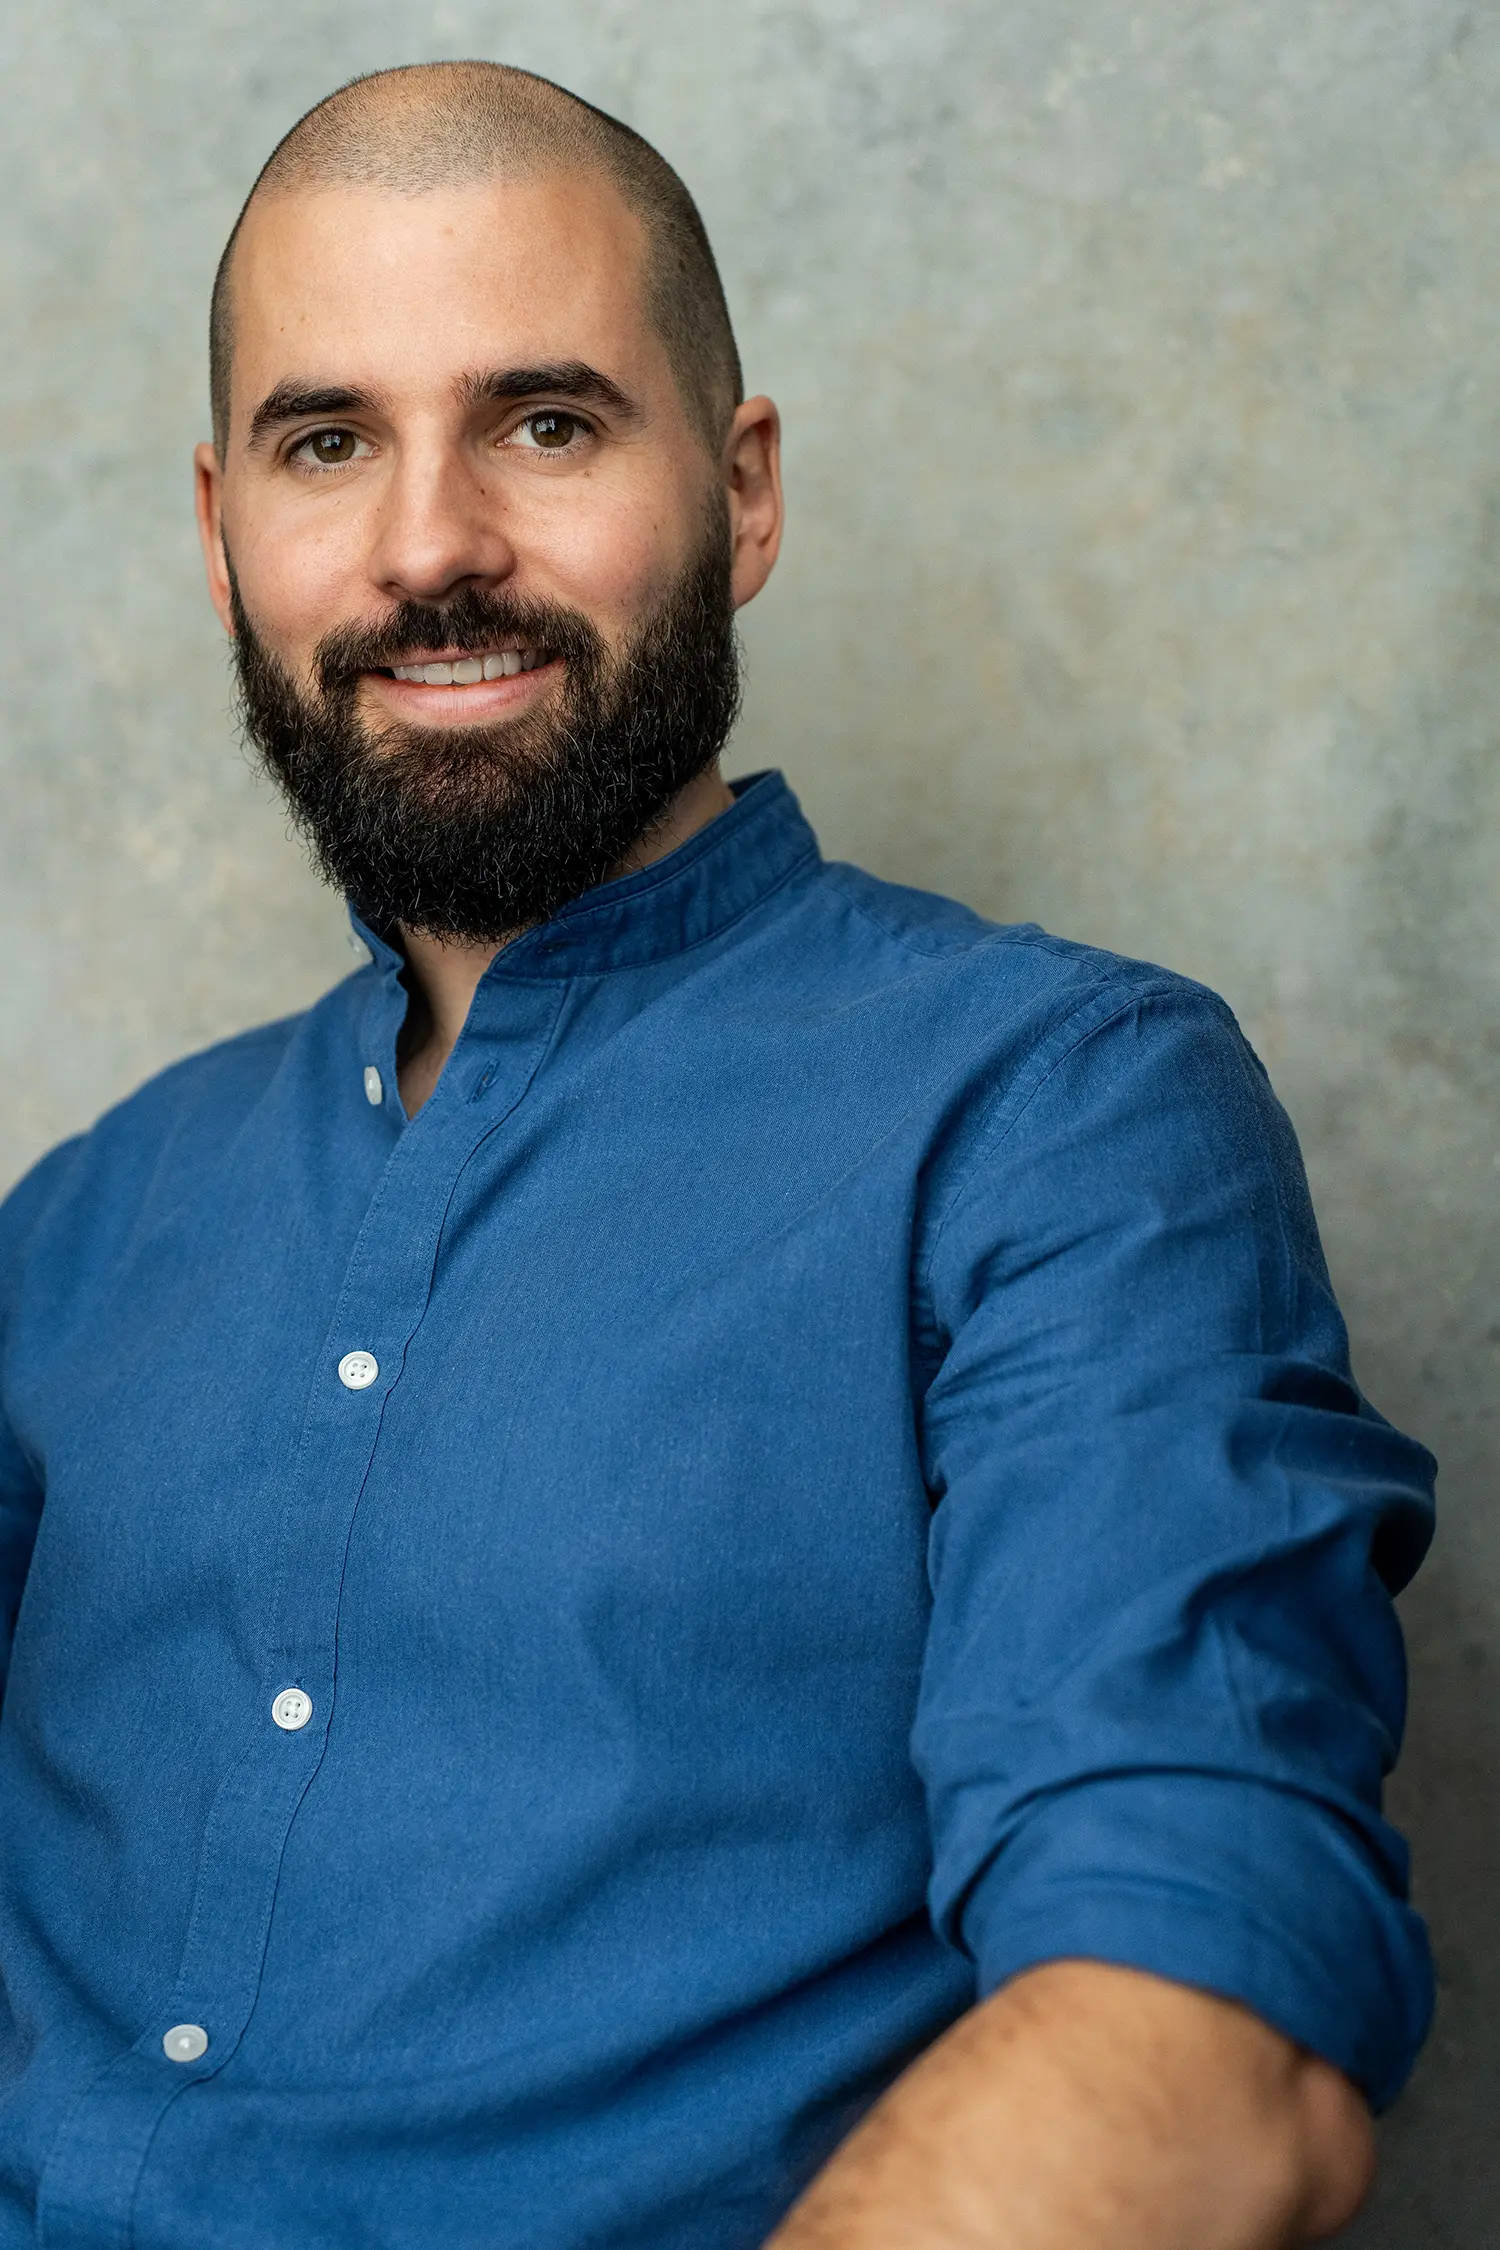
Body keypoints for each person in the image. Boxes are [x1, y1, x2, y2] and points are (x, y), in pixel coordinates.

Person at [0, 59, 1434, 2250]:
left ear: (743, 493)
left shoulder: (1060, 1116)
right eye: (328, 441)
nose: (428, 546)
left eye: (546, 421)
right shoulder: (82, 1227)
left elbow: (1203, 2040)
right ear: (222, 536)